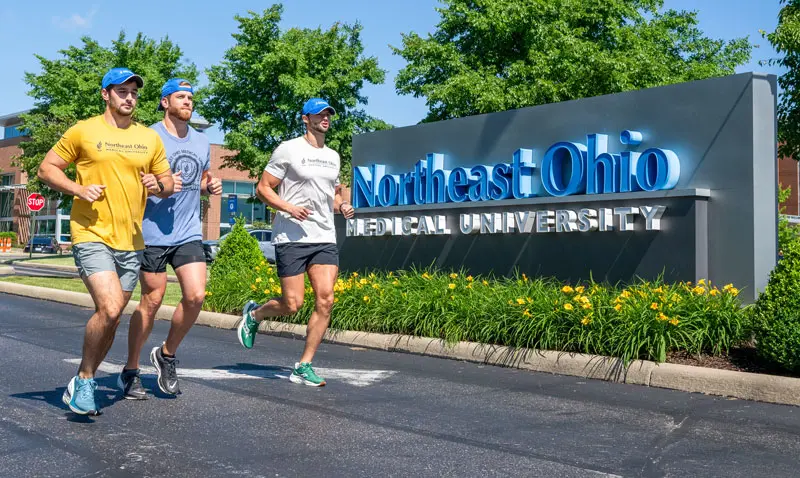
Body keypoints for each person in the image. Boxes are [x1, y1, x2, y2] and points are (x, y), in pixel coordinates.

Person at [37, 67, 174, 415]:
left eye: (133, 92)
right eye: (121, 91)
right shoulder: (84, 131)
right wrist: (79, 189)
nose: (129, 97)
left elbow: (168, 182)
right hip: (91, 233)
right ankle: (85, 380)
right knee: (110, 307)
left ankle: (85, 378)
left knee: (111, 317)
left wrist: (157, 185)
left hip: (131, 240)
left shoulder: (149, 138)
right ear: (105, 94)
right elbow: (47, 169)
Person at [236, 98, 355, 387]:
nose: (325, 118)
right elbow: (263, 188)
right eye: (319, 114)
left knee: (326, 299)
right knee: (292, 303)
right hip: (291, 235)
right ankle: (255, 314)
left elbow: (335, 193)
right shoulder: (288, 149)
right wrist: (288, 208)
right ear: (305, 118)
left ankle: (304, 365)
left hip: (324, 235)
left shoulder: (333, 156)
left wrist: (342, 206)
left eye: (328, 114)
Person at [118, 78, 222, 400]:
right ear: (165, 102)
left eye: (190, 97)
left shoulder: (202, 142)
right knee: (152, 299)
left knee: (196, 295)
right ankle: (131, 369)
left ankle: (166, 354)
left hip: (188, 230)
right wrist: (151, 183)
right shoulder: (148, 137)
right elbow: (131, 180)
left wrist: (210, 186)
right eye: (181, 97)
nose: (188, 102)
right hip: (151, 232)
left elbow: (199, 179)